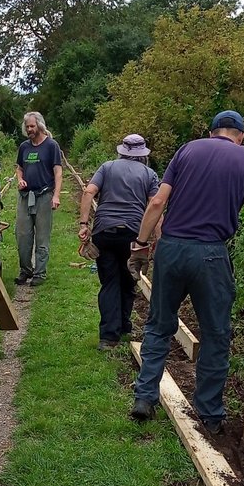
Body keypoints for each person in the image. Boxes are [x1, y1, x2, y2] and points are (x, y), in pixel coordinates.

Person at [128, 110, 244, 434]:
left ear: (211, 132)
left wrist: (140, 246)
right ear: (241, 137)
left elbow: (157, 203)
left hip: (172, 250)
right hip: (211, 256)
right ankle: (210, 414)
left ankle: (145, 398)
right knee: (215, 334)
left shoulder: (187, 150)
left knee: (159, 325)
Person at [78, 134, 160, 350]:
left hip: (104, 232)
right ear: (143, 155)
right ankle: (123, 325)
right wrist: (159, 238)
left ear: (121, 151)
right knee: (129, 279)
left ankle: (109, 337)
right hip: (133, 235)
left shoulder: (107, 167)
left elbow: (89, 192)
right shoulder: (149, 174)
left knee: (110, 282)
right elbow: (155, 205)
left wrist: (84, 224)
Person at [14, 111, 63, 286]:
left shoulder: (51, 146)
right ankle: (25, 270)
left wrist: (56, 195)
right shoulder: (24, 147)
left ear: (40, 126)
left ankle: (39, 273)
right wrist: (20, 179)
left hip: (44, 196)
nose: (29, 129)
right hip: (26, 197)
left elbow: (58, 172)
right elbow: (19, 168)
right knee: (22, 236)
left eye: (32, 126)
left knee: (42, 237)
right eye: (27, 126)